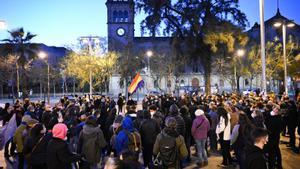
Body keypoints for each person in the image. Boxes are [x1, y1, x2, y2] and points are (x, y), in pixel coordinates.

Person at [264, 104, 283, 169]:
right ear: (273, 108)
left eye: (278, 109)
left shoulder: (279, 117)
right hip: (269, 136)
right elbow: (266, 124)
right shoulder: (268, 115)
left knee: (274, 151)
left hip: (274, 137)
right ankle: (273, 164)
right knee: (272, 151)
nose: (276, 110)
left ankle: (276, 164)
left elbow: (280, 128)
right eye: (275, 108)